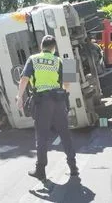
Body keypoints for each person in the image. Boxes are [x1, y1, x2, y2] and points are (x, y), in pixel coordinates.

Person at [16, 35, 78, 180]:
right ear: (54, 48)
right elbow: (68, 83)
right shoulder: (62, 61)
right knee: (65, 134)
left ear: (41, 47)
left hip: (42, 102)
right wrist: (64, 96)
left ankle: (40, 170)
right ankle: (73, 167)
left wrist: (19, 97)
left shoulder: (33, 58)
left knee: (42, 136)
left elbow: (24, 79)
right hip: (59, 100)